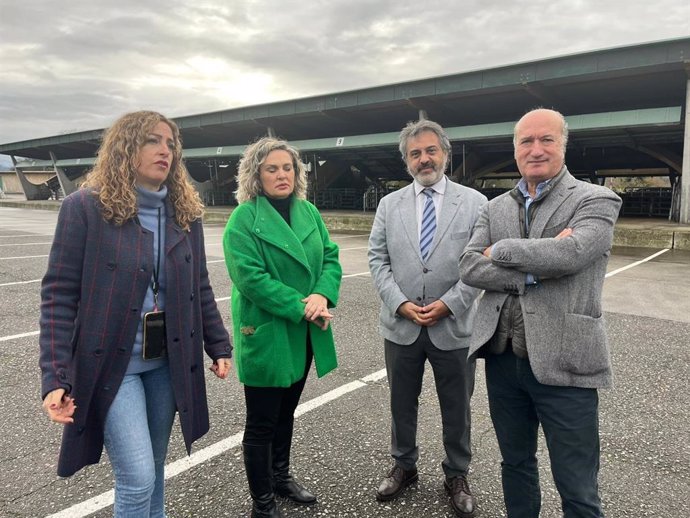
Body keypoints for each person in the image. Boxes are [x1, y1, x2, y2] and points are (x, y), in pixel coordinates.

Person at [39, 110, 233, 518]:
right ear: (126, 147)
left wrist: (218, 344)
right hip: (113, 364)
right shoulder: (85, 208)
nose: (166, 150)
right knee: (138, 475)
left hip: (168, 361)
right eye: (152, 141)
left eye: (171, 143)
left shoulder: (186, 214)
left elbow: (200, 286)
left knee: (156, 470)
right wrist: (55, 377)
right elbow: (58, 296)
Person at [459, 108, 622, 518]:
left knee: (577, 485)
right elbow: (469, 266)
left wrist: (500, 250)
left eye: (546, 140)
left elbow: (572, 254)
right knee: (515, 465)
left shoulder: (596, 198)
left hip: (567, 362)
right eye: (526, 141)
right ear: (514, 150)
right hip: (502, 360)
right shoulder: (494, 207)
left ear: (563, 145)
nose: (536, 149)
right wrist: (533, 269)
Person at [368, 119, 487, 517]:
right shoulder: (389, 205)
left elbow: (480, 265)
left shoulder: (474, 204)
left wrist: (451, 303)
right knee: (402, 403)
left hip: (452, 326)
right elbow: (378, 260)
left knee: (458, 406)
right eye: (415, 153)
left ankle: (457, 472)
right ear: (406, 161)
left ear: (445, 154)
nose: (424, 159)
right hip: (400, 325)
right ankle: (404, 465)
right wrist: (399, 302)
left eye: (431, 150)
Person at [223, 137, 342, 518]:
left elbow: (331, 258)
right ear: (256, 175)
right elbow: (250, 279)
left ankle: (280, 477)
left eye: (288, 167)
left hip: (304, 331)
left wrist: (323, 294)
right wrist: (301, 307)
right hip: (269, 332)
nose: (282, 175)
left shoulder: (308, 212)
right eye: (272, 168)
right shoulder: (243, 219)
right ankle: (263, 503)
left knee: (286, 411)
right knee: (261, 421)